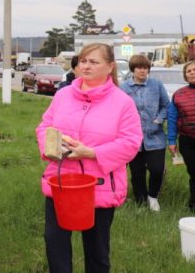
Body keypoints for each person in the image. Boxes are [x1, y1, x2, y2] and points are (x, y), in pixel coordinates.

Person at [36, 43, 142, 273]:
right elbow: (44, 126)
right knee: (55, 244)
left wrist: (92, 153)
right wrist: (53, 147)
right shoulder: (63, 95)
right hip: (61, 180)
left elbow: (131, 142)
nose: (86, 66)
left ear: (110, 66)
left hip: (99, 185)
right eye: (83, 61)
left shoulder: (123, 103)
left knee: (96, 251)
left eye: (94, 62)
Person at [120, 54, 169, 211]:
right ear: (133, 69)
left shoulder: (156, 85)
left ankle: (153, 196)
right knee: (137, 172)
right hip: (132, 138)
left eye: (145, 67)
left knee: (157, 169)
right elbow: (119, 110)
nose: (142, 70)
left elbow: (166, 105)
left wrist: (158, 120)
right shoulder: (124, 88)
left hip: (154, 137)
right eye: (139, 67)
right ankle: (140, 201)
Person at [167, 60, 195, 211]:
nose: (192, 72)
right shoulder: (179, 95)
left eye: (194, 69)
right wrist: (171, 140)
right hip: (187, 141)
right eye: (188, 71)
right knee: (194, 172)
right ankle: (193, 204)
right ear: (185, 75)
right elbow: (172, 119)